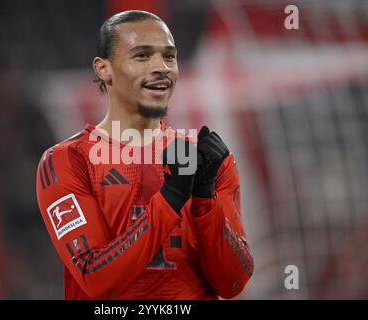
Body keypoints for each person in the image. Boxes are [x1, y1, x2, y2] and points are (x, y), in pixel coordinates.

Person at [36, 10, 253, 300]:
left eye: (169, 56)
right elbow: (96, 278)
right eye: (142, 56)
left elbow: (233, 284)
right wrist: (171, 199)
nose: (161, 67)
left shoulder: (204, 158)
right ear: (103, 69)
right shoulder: (68, 160)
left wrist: (205, 199)